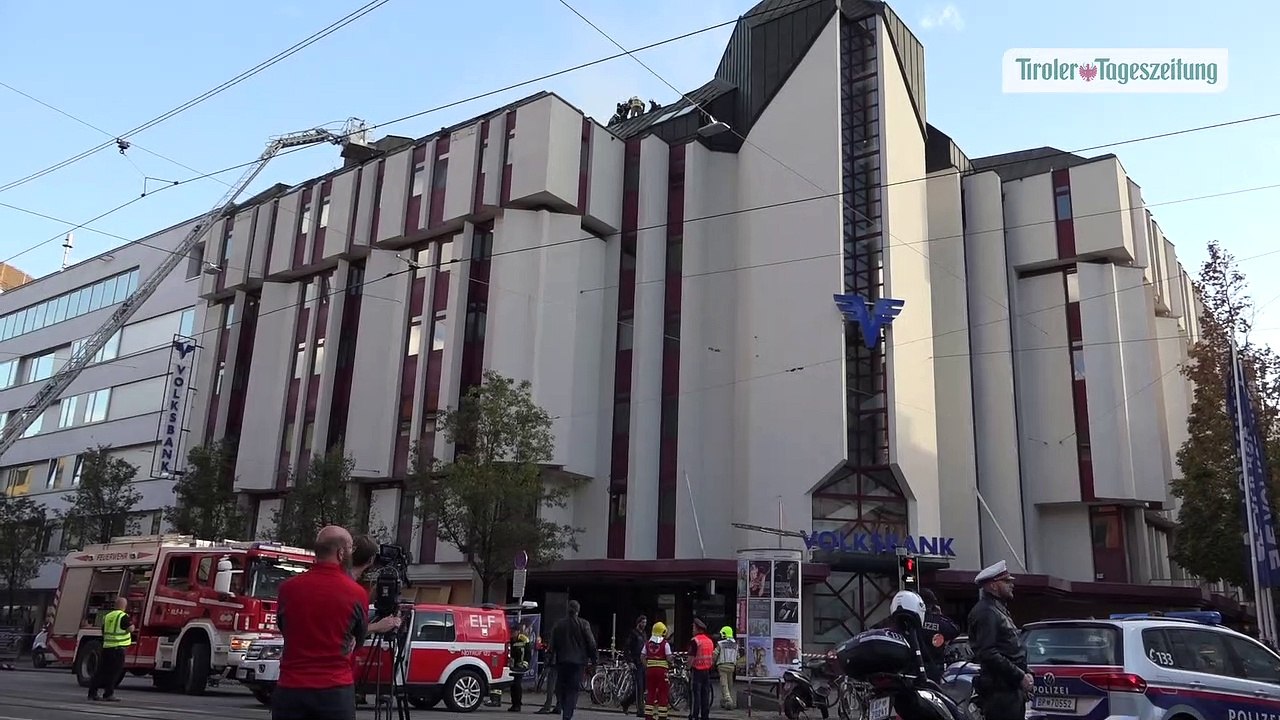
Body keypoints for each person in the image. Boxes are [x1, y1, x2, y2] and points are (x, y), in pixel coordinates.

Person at [273, 526, 402, 720]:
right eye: (350, 549)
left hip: (291, 688)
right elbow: (357, 639)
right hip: (334, 689)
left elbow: (285, 628)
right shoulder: (356, 593)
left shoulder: (287, 589)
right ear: (341, 553)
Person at [967, 561, 1030, 720]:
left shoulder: (998, 609)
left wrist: (1026, 674)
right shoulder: (987, 612)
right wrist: (1020, 675)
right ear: (993, 586)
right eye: (1006, 581)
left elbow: (1010, 648)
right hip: (999, 692)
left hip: (1009, 689)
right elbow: (988, 653)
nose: (1012, 585)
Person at [548, 599, 597, 720]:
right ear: (578, 611)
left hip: (562, 661)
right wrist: (594, 659)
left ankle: (564, 708)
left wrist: (550, 660)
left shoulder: (559, 624)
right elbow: (591, 643)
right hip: (578, 662)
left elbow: (551, 645)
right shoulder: (584, 624)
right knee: (573, 689)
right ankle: (567, 714)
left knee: (562, 688)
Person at [88, 596, 131, 702]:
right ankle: (108, 694)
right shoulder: (123, 616)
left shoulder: (107, 616)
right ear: (124, 606)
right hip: (117, 649)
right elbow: (129, 628)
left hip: (107, 647)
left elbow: (103, 631)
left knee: (101, 671)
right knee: (114, 672)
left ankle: (92, 693)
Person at [918, 588, 960, 683]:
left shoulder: (911, 621)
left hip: (913, 668)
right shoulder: (939, 621)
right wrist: (940, 615)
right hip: (934, 669)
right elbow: (955, 630)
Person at [642, 621, 673, 720]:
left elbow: (642, 656)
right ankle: (662, 716)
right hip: (662, 671)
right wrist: (671, 663)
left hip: (650, 671)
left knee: (650, 692)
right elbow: (668, 657)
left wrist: (647, 665)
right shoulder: (665, 644)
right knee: (663, 693)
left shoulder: (647, 643)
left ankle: (648, 716)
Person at [687, 619, 714, 720]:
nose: (692, 630)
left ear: (698, 629)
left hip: (697, 671)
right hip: (707, 671)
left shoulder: (695, 641)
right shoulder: (709, 641)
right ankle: (705, 716)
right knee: (705, 694)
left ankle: (694, 715)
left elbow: (691, 657)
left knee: (695, 695)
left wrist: (687, 668)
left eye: (693, 627)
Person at [621, 615, 648, 717]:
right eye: (643, 622)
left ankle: (626, 703)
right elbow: (627, 648)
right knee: (639, 686)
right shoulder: (633, 634)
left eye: (645, 622)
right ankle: (640, 710)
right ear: (638, 622)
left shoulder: (644, 634)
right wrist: (630, 661)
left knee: (643, 687)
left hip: (643, 662)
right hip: (636, 663)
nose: (644, 624)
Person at [713, 626, 738, 710]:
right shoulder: (735, 644)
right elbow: (737, 656)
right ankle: (724, 701)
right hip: (732, 666)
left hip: (722, 665)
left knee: (724, 684)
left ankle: (728, 699)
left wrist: (712, 662)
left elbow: (715, 654)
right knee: (730, 683)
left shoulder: (720, 644)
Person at [508, 622, 531, 711]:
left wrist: (524, 664)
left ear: (518, 631)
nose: (512, 633)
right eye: (512, 631)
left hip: (520, 666)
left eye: (514, 631)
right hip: (512, 666)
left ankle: (517, 704)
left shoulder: (524, 640)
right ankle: (514, 704)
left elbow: (528, 654)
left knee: (517, 684)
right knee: (513, 685)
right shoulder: (510, 640)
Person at [534, 637, 560, 715]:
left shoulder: (557, 636)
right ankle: (559, 706)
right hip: (562, 663)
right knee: (558, 686)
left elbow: (551, 651)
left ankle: (547, 706)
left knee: (551, 686)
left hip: (553, 663)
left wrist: (548, 661)